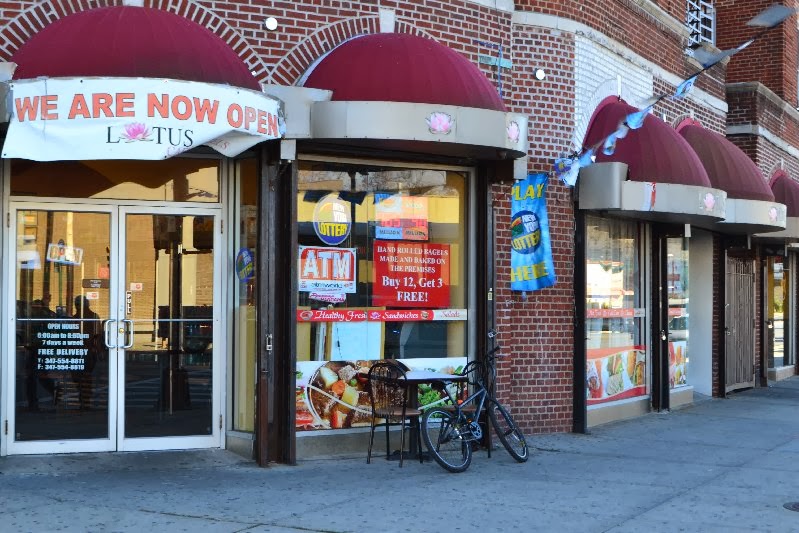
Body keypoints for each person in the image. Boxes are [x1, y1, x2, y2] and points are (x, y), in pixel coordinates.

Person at [75, 296, 103, 410]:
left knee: (84, 375)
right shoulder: (76, 318)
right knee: (83, 376)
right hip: (82, 350)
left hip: (87, 350)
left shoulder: (92, 317)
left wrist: (97, 349)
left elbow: (97, 336)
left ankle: (85, 400)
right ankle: (85, 399)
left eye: (78, 305)